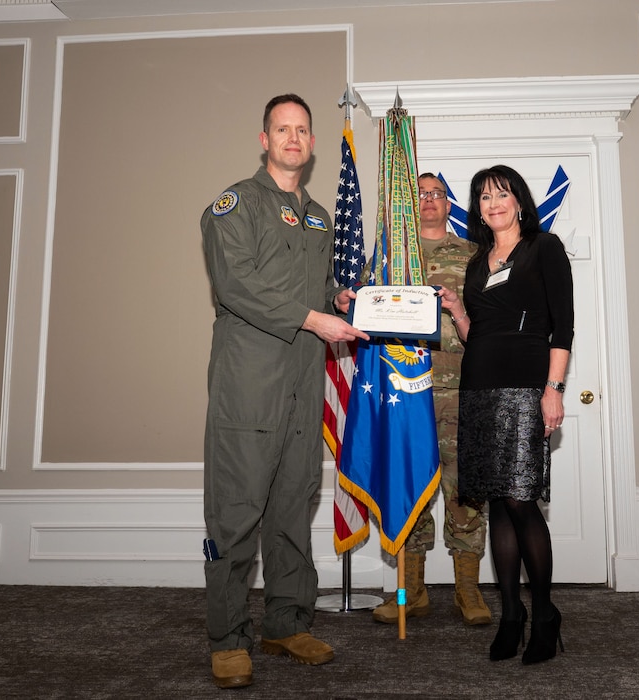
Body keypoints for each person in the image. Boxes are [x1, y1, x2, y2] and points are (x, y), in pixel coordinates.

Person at [200, 93, 369, 689]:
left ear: (313, 143)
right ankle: (227, 637)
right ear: (264, 138)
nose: (293, 138)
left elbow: (317, 291)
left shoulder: (321, 216)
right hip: (249, 386)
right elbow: (235, 286)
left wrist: (340, 303)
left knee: (293, 508)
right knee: (237, 515)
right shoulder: (234, 206)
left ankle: (286, 622)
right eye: (282, 129)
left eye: (302, 130)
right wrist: (315, 318)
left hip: (304, 384)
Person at [438, 164, 573, 665]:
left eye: (501, 194)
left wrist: (553, 389)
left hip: (525, 389)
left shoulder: (545, 247)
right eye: (483, 197)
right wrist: (457, 310)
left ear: (519, 200)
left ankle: (544, 615)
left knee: (521, 501)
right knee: (497, 502)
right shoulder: (477, 262)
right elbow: (483, 333)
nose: (492, 203)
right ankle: (511, 615)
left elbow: (563, 327)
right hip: (479, 388)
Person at [371, 173, 491, 627]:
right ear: (409, 203)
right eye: (420, 194)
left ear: (448, 203)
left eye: (437, 194)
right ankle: (412, 592)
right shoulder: (390, 256)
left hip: (463, 392)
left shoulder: (473, 256)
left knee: (465, 494)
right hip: (407, 395)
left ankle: (468, 591)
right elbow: (364, 308)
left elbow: (489, 324)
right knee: (412, 492)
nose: (429, 201)